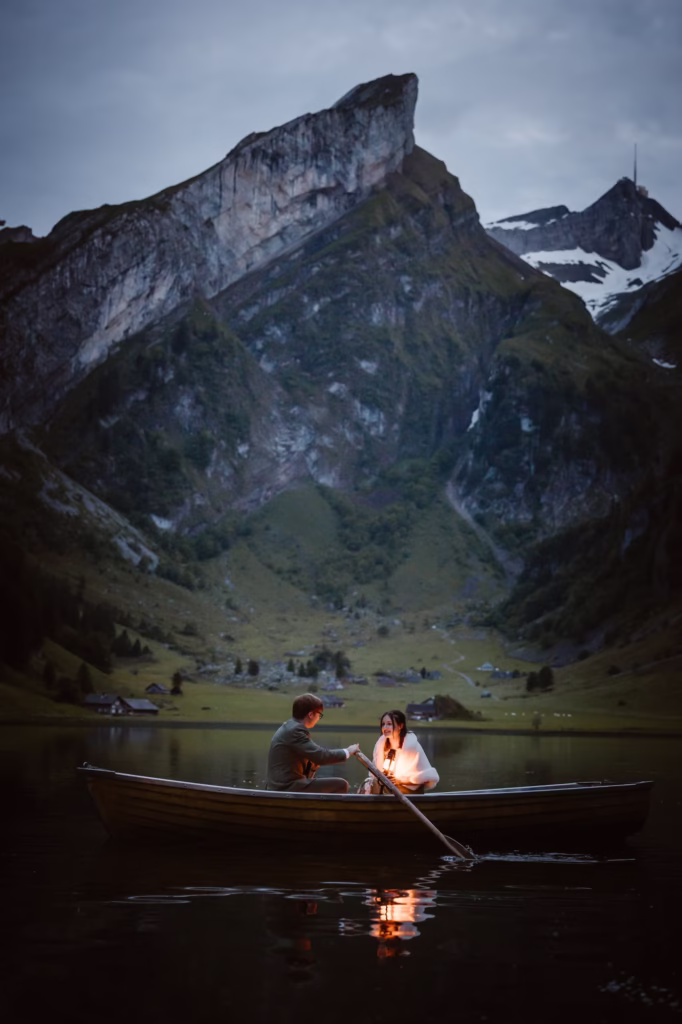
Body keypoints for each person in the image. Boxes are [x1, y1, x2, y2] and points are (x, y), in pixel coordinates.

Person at [266, 693, 360, 793]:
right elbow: (320, 756)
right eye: (319, 715)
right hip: (286, 787)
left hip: (281, 786)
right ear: (311, 714)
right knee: (341, 785)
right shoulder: (296, 730)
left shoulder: (290, 726)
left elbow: (314, 756)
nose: (318, 719)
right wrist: (348, 751)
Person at [359, 709, 439, 794]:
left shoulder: (411, 746)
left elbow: (424, 779)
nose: (385, 728)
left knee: (375, 785)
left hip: (409, 791)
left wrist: (400, 780)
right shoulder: (381, 746)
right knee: (367, 783)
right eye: (383, 724)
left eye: (389, 724)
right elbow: (375, 774)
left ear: (400, 726)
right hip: (388, 788)